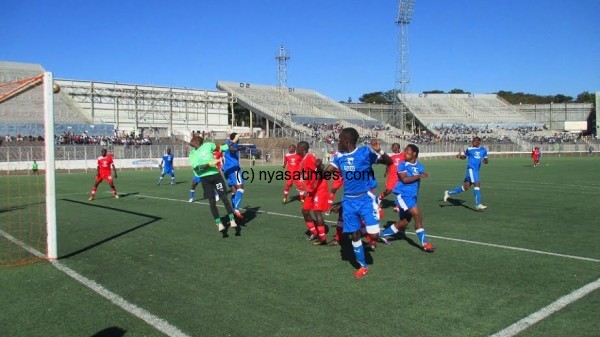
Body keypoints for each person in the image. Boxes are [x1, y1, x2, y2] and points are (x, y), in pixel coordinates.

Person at [325, 127, 391, 278]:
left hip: (366, 199)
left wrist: (380, 151)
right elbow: (327, 171)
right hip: (349, 201)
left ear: (347, 141)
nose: (338, 142)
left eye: (340, 139)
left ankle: (368, 228)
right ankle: (363, 266)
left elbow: (389, 162)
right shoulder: (339, 156)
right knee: (354, 235)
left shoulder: (364, 153)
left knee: (373, 236)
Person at [380, 144, 435, 252]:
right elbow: (404, 180)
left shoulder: (420, 167)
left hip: (411, 196)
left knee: (404, 222)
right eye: (405, 151)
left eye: (408, 151)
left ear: (414, 153)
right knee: (417, 216)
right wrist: (419, 176)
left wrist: (415, 196)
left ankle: (382, 234)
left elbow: (417, 184)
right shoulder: (402, 165)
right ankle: (425, 244)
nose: (405, 153)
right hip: (402, 195)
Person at [189, 135, 237, 232]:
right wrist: (209, 164)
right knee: (212, 201)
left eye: (193, 140)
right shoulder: (192, 154)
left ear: (198, 141)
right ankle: (218, 223)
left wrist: (233, 141)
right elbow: (197, 168)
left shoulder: (209, 145)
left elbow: (222, 148)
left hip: (216, 176)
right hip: (205, 179)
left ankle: (232, 219)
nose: (191, 141)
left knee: (223, 197)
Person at [297, 141, 329, 245]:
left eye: (297, 148)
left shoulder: (309, 157)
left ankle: (322, 238)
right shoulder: (304, 159)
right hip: (311, 189)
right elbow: (312, 173)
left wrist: (310, 188)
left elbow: (320, 170)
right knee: (305, 211)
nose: (296, 150)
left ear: (302, 150)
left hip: (319, 188)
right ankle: (315, 233)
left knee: (317, 211)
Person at [444, 136, 488, 210]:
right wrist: (459, 156)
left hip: (476, 171)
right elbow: (464, 157)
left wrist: (484, 161)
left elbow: (486, 161)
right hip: (471, 169)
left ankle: (448, 193)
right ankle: (478, 204)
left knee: (465, 187)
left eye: (475, 140)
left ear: (479, 142)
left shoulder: (483, 150)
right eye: (473, 140)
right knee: (477, 185)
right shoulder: (469, 149)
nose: (473, 142)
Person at [222, 133, 244, 219]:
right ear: (235, 138)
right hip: (234, 169)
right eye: (238, 137)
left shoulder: (226, 142)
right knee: (240, 189)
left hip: (227, 170)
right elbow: (232, 149)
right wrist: (242, 148)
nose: (239, 139)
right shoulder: (231, 143)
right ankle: (236, 209)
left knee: (233, 191)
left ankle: (233, 211)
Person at [378, 143, 405, 212]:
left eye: (393, 147)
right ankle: (379, 198)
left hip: (400, 177)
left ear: (397, 147)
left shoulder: (403, 155)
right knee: (388, 191)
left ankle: (397, 206)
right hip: (392, 177)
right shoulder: (391, 156)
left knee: (399, 192)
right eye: (392, 147)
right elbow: (388, 164)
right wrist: (386, 172)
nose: (392, 148)